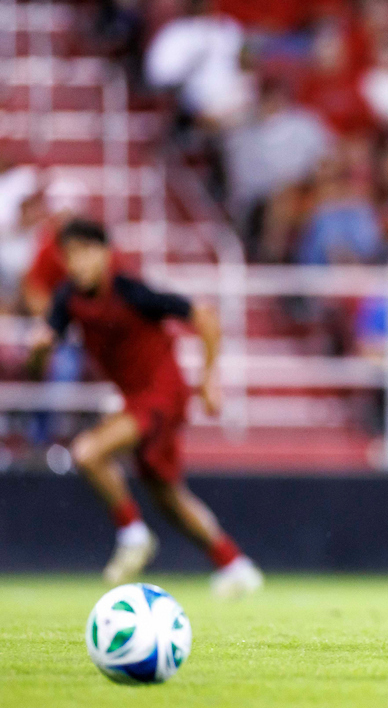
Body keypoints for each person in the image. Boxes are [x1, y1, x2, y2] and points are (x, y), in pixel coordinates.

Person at [28, 219, 263, 598]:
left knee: (89, 453)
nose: (77, 263)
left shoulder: (129, 290)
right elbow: (38, 367)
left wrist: (209, 378)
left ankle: (134, 534)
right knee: (166, 495)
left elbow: (203, 315)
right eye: (69, 255)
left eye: (85, 252)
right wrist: (39, 352)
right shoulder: (66, 299)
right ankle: (236, 565)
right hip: (136, 400)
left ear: (105, 253)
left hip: (163, 394)